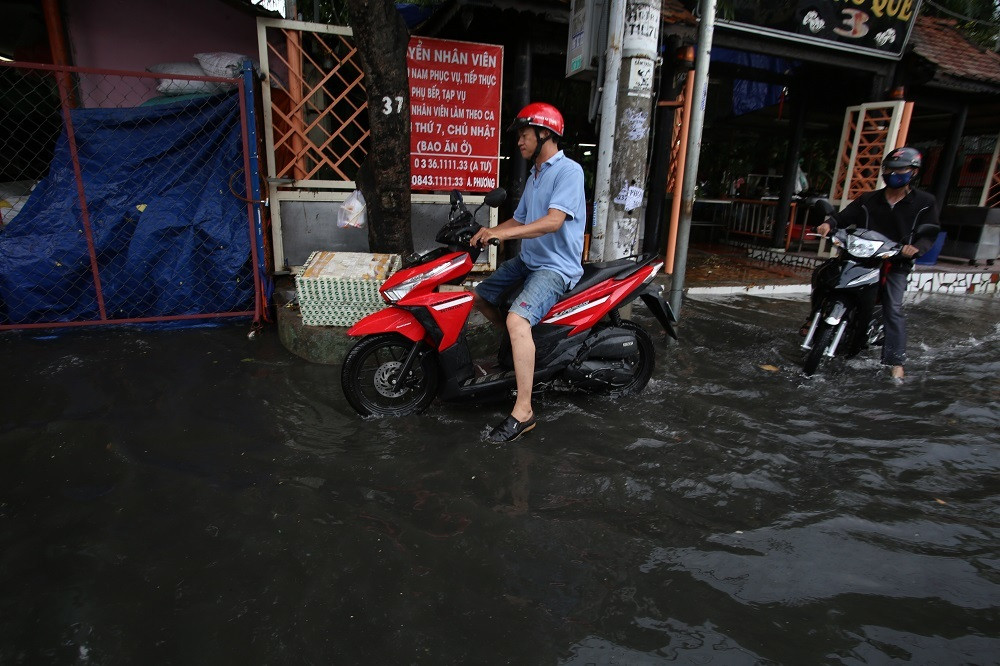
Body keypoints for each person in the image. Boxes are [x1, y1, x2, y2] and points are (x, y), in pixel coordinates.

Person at [471, 102, 587, 442]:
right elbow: (520, 220)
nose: (519, 142)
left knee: (516, 320)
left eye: (524, 135)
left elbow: (553, 222)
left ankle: (524, 412)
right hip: (531, 261)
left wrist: (501, 234)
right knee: (479, 296)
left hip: (555, 266)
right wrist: (485, 231)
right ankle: (517, 352)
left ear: (544, 133)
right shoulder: (536, 174)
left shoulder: (568, 172)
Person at [814, 146, 939, 381]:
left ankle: (895, 361)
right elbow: (843, 217)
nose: (893, 174)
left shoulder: (924, 202)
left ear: (913, 172)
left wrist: (916, 248)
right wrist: (829, 224)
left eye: (900, 169)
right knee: (824, 275)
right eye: (890, 169)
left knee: (893, 307)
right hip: (860, 259)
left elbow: (929, 234)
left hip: (895, 263)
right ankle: (813, 320)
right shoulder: (868, 199)